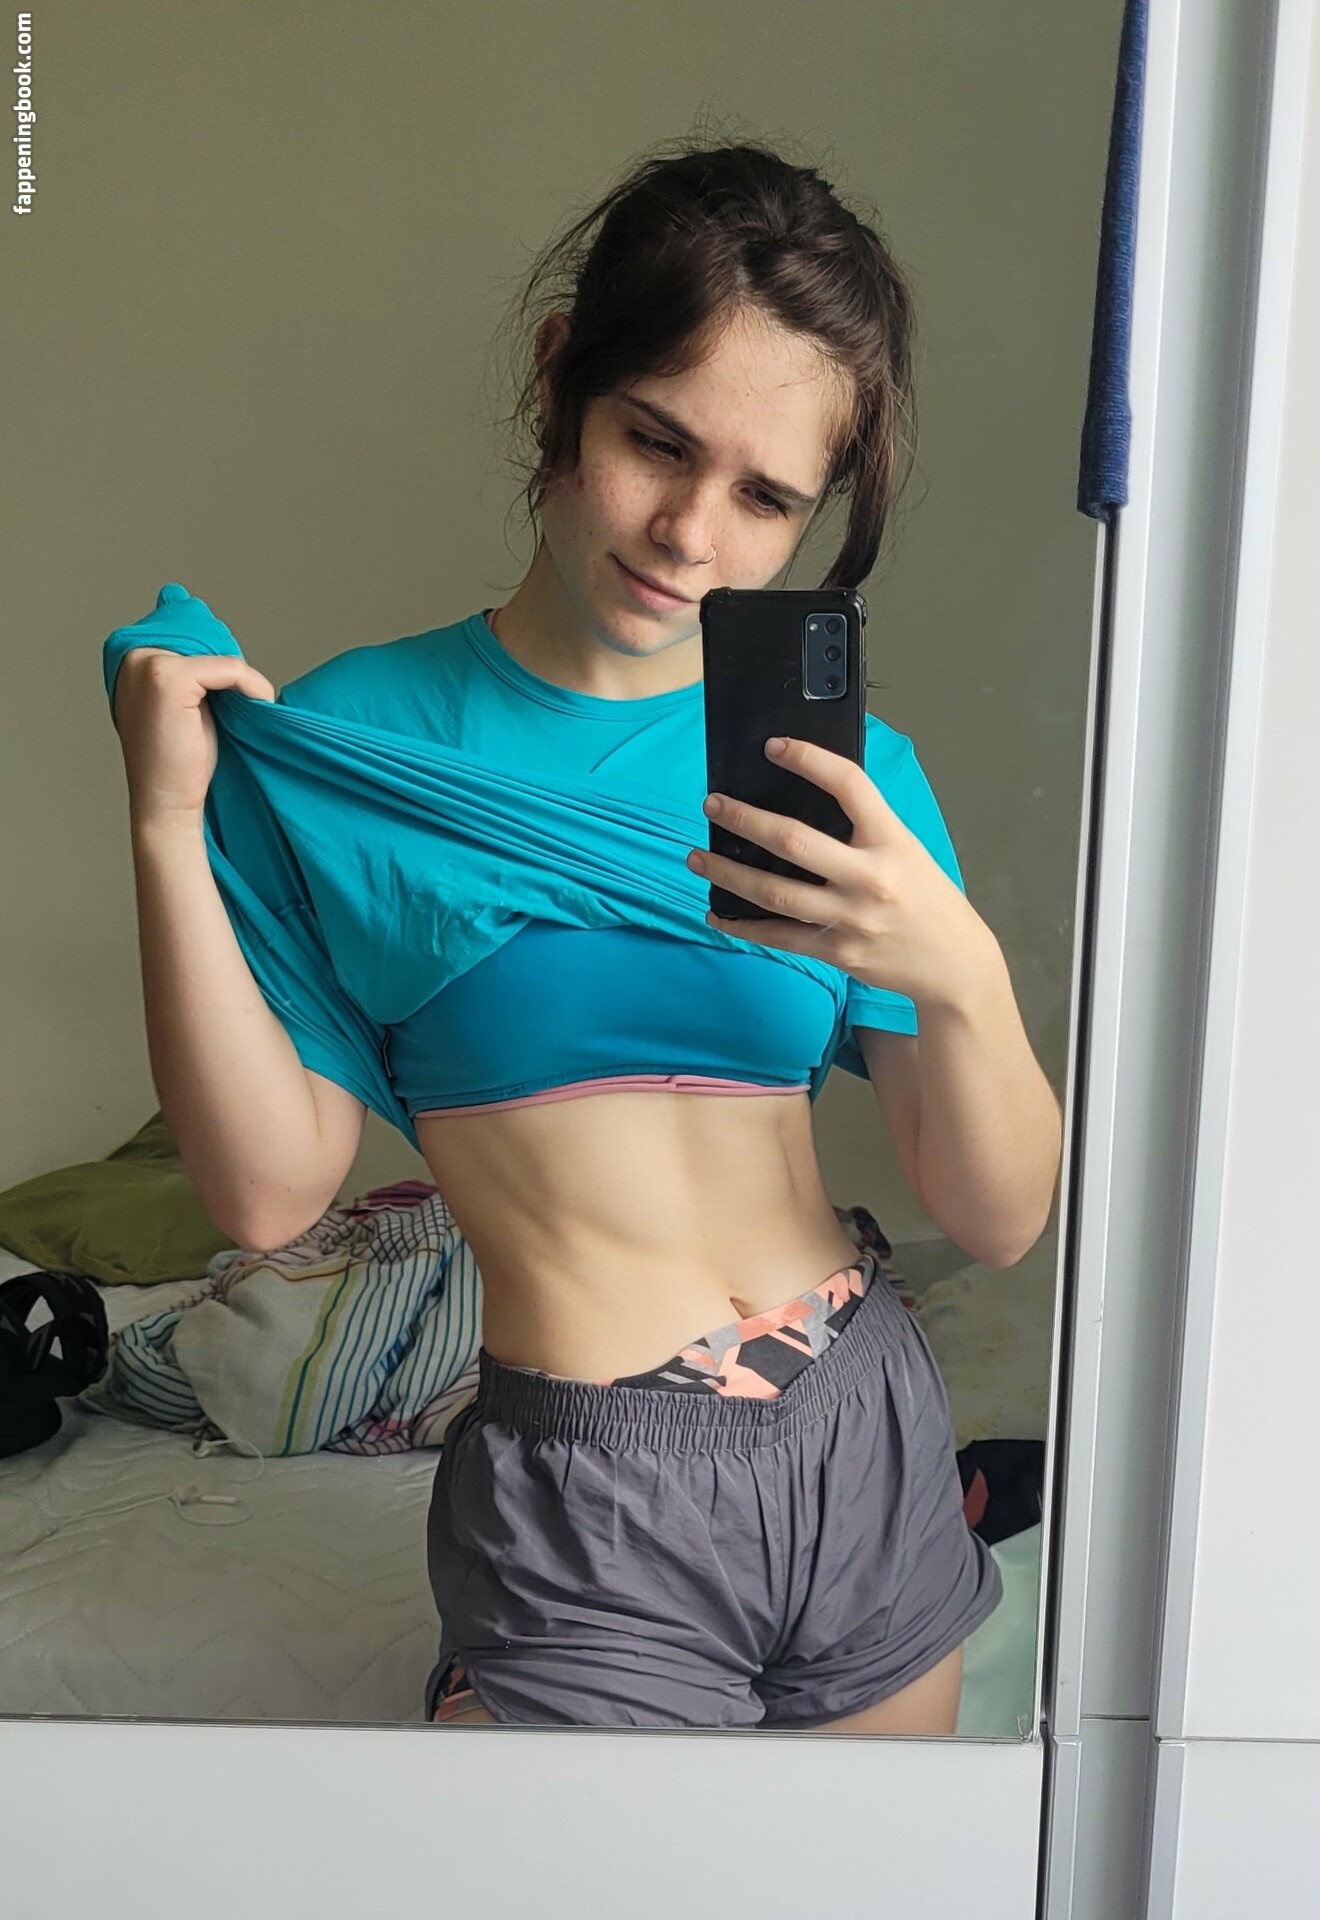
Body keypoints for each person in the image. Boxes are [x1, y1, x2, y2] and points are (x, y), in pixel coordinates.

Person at [111, 138, 1062, 1735]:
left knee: (874, 1870)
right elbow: (267, 1191)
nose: (690, 532)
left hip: (863, 1423)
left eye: (766, 497)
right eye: (654, 442)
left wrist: (960, 976)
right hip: (599, 1484)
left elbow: (1001, 1212)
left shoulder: (846, 778)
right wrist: (161, 822)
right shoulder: (362, 748)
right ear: (561, 377)